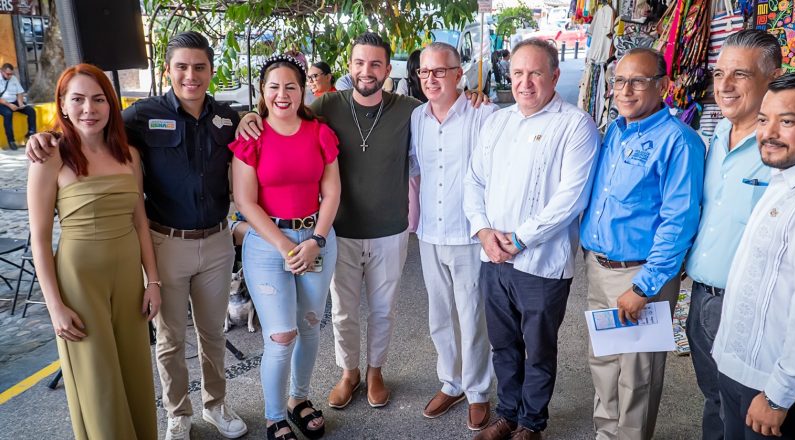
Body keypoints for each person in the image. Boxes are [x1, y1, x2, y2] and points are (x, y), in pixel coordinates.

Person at [236, 32, 489, 411]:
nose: (366, 71)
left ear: (389, 69)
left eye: (375, 64)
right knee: (342, 310)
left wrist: (473, 95)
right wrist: (252, 115)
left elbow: (447, 105)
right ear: (349, 67)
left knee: (384, 309)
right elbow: (282, 113)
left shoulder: (409, 109)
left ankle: (375, 371)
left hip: (391, 229)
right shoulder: (324, 107)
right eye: (359, 63)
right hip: (339, 231)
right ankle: (349, 371)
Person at [25, 31, 248, 440]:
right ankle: (178, 414)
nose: (191, 76)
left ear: (212, 71)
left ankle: (217, 405)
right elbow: (84, 130)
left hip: (216, 242)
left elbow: (261, 144)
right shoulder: (141, 116)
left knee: (213, 333)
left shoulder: (229, 117)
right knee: (169, 339)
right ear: (168, 70)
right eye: (181, 67)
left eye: (200, 67)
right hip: (167, 242)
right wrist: (41, 137)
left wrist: (255, 117)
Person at [463, 38, 600, 440]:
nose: (524, 82)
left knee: (538, 348)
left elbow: (572, 198)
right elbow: (474, 180)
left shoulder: (575, 124)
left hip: (541, 264)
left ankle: (531, 423)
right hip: (493, 258)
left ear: (555, 75)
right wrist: (483, 231)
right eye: (518, 73)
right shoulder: (497, 121)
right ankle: (507, 413)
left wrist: (519, 240)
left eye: (535, 73)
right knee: (503, 345)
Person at [26, 63, 160, 439]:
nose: (89, 108)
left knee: (135, 373)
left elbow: (140, 222)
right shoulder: (50, 157)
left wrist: (154, 281)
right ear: (63, 106)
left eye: (98, 99)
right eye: (79, 99)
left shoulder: (129, 155)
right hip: (79, 282)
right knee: (98, 383)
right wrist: (54, 306)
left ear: (111, 104)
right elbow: (39, 238)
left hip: (128, 280)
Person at [579, 47, 705, 440]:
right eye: (619, 81)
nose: (625, 90)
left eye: (638, 81)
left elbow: (679, 221)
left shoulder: (679, 141)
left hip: (640, 275)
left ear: (663, 86)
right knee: (604, 362)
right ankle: (606, 433)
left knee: (637, 375)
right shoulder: (616, 130)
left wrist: (644, 287)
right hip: (601, 269)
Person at [713, 71, 795, 440]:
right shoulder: (787, 175)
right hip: (744, 372)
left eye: (787, 121)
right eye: (764, 120)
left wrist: (777, 396)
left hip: (777, 390)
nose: (769, 133)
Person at [230, 54, 341, 440]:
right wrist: (284, 246)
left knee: (310, 326)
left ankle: (299, 398)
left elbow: (332, 192)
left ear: (303, 89)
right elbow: (245, 201)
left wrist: (315, 240)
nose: (282, 94)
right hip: (267, 245)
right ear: (262, 92)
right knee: (281, 335)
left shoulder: (320, 132)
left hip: (316, 240)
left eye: (290, 86)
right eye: (273, 87)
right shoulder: (251, 137)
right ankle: (275, 415)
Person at [683, 30, 783, 440]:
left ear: (773, 79)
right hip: (702, 299)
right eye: (719, 73)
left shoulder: (792, 149)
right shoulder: (715, 137)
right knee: (714, 400)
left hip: (752, 307)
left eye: (739, 74)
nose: (724, 86)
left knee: (751, 415)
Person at [411, 42, 497, 431]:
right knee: (439, 315)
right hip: (430, 232)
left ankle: (478, 391)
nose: (431, 79)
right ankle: (452, 382)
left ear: (459, 74)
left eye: (439, 71)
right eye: (424, 72)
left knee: (472, 316)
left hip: (469, 235)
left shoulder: (484, 113)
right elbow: (415, 170)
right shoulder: (416, 118)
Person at [395, 49, 426, 235]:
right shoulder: (409, 87)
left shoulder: (405, 85)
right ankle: (417, 222)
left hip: (411, 139)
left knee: (414, 186)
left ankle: (413, 224)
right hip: (421, 138)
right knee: (419, 184)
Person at [0, 63, 37, 150]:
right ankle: (11, 140)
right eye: (8, 74)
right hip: (2, 103)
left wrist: (20, 104)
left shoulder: (13, 78)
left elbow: (19, 92)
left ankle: (31, 133)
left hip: (14, 101)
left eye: (11, 74)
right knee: (8, 114)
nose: (10, 76)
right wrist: (9, 105)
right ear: (2, 71)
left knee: (31, 111)